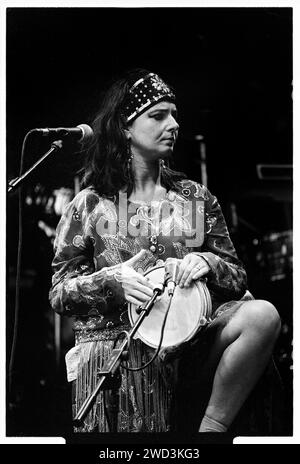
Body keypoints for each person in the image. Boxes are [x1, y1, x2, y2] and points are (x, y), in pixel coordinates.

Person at [49, 69, 281, 434]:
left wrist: (206, 261)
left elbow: (237, 276)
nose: (173, 124)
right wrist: (113, 282)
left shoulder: (195, 197)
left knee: (262, 315)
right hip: (122, 359)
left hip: (191, 351)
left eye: (174, 114)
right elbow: (59, 292)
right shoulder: (89, 204)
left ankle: (211, 431)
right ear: (125, 128)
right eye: (158, 116)